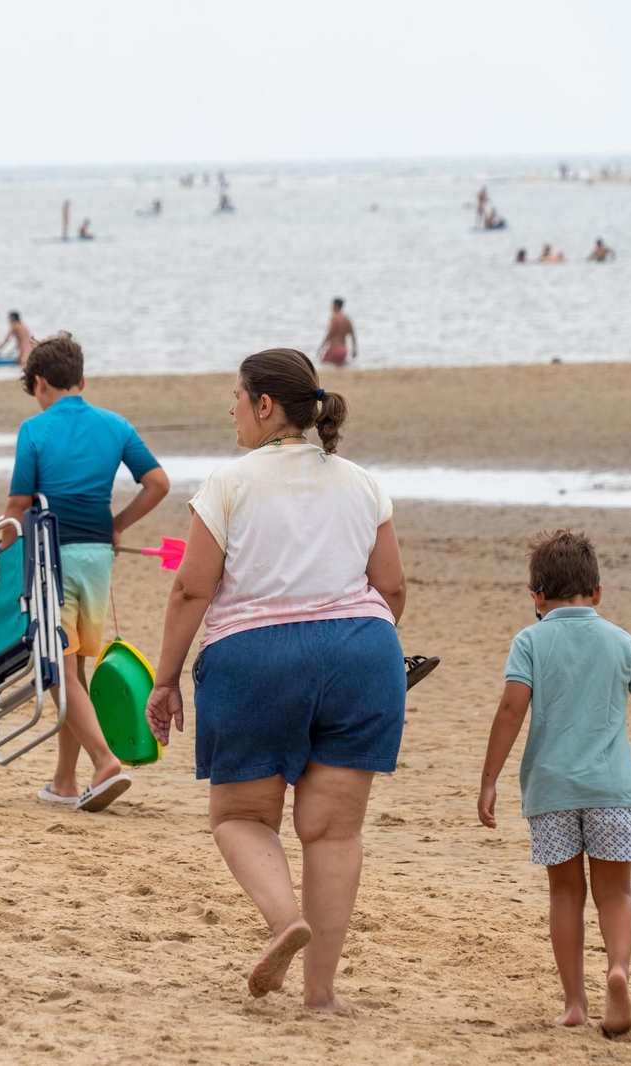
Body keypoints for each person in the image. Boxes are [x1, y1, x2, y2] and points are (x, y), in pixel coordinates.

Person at [144, 348, 410, 1012]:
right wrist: (359, 651)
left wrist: (165, 679)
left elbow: (189, 592)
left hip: (256, 660)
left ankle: (284, 917)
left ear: (266, 406)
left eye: (237, 397)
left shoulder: (228, 484)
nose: (230, 408)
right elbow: (393, 588)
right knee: (334, 832)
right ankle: (320, 993)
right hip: (363, 654)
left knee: (240, 816)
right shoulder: (362, 483)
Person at [477, 530, 631, 1035]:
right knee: (615, 894)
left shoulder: (530, 640)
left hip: (551, 793)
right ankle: (618, 969)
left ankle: (574, 1003)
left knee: (565, 894)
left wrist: (489, 781)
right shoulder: (621, 641)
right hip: (612, 792)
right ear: (597, 592)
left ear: (536, 596)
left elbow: (510, 711)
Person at [3, 333, 171, 812]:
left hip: (51, 556)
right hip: (97, 557)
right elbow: (157, 483)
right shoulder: (115, 425)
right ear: (81, 378)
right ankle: (64, 782)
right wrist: (117, 524)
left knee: (55, 667)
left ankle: (103, 760)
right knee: (72, 665)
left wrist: (0, 556)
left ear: (39, 382)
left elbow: (17, 504)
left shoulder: (34, 431)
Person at [319, 298, 356, 366]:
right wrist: (354, 350)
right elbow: (353, 335)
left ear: (336, 305)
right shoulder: (347, 319)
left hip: (334, 348)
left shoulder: (334, 318)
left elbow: (330, 334)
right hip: (343, 350)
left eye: (332, 305)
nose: (331, 307)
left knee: (324, 364)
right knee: (340, 368)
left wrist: (321, 346)